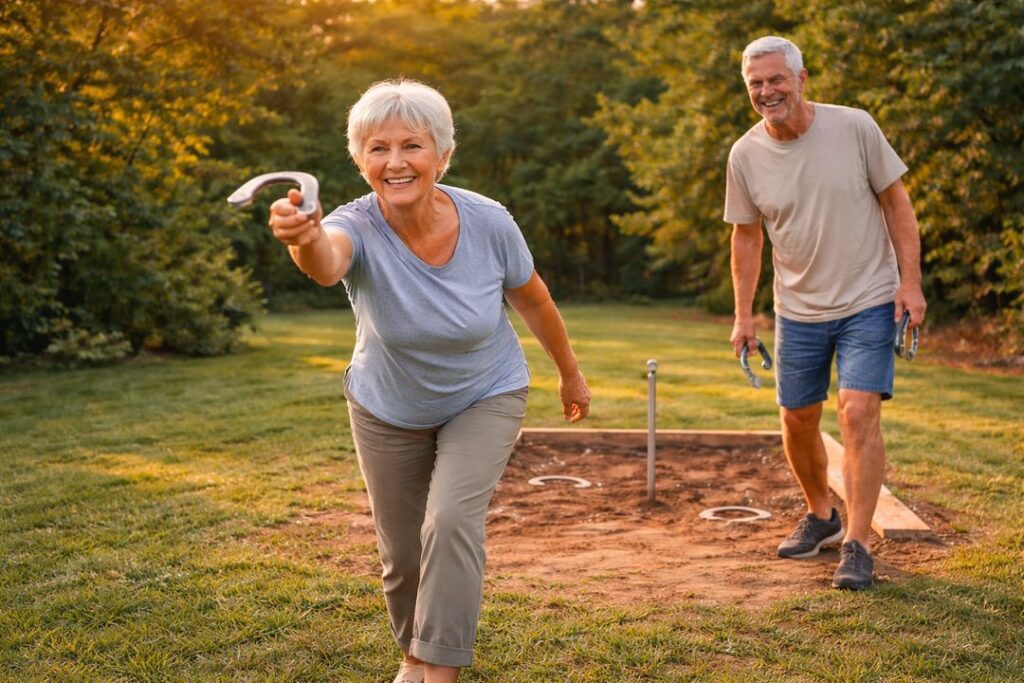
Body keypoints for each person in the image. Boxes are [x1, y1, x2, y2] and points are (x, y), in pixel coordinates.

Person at [266, 79, 591, 682]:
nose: (395, 162)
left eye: (412, 145)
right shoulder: (353, 225)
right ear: (360, 159)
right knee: (403, 554)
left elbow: (535, 300)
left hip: (484, 391)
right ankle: (413, 652)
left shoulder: (489, 221)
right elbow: (326, 262)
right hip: (386, 404)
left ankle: (432, 668)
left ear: (442, 154)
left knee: (449, 519)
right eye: (378, 148)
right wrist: (304, 238)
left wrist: (570, 375)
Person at [724, 36, 926, 590]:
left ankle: (858, 544)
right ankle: (822, 516)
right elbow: (746, 237)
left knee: (858, 412)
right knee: (796, 419)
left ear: (801, 78)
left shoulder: (854, 127)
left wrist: (910, 283)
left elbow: (896, 202)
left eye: (775, 79)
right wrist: (743, 315)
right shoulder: (745, 155)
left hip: (869, 298)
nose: (767, 91)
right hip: (798, 309)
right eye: (756, 84)